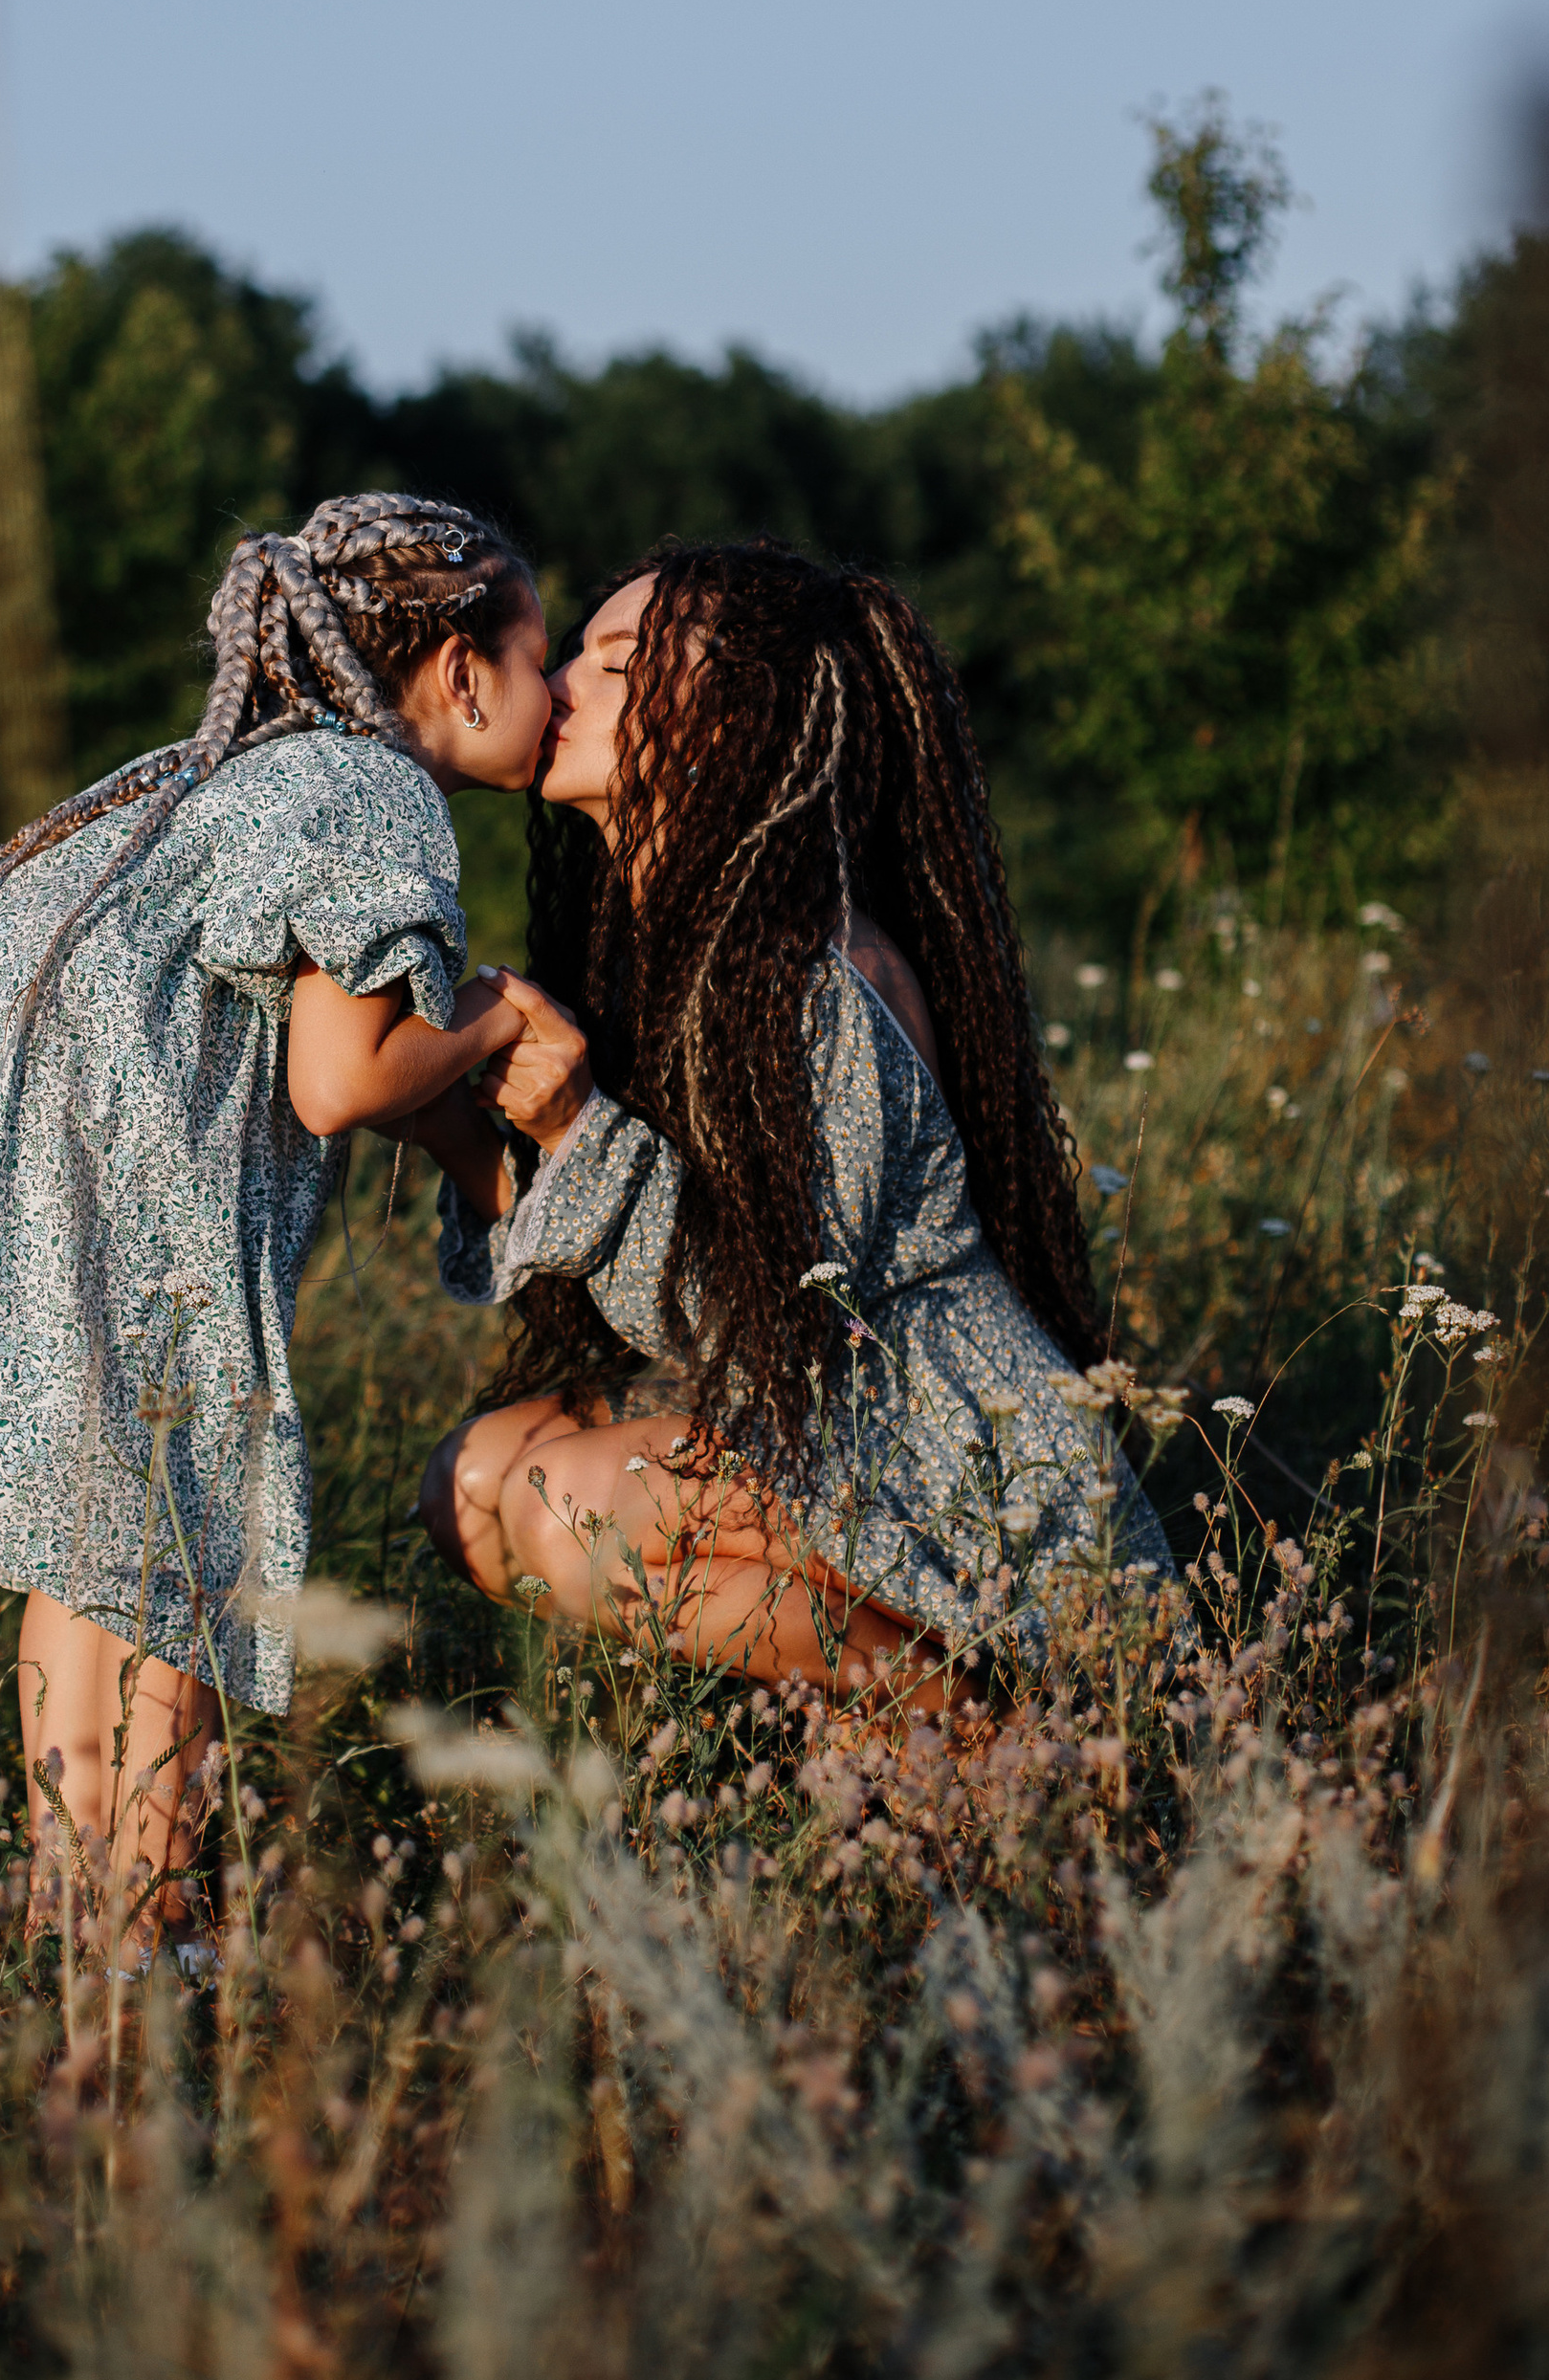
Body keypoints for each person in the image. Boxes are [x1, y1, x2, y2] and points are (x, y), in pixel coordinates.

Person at [0, 493, 549, 1938]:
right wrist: (498, 1023)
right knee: (182, 1537)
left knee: (97, 1547)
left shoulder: (245, 766)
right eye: (545, 660)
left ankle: (74, 1922)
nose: (557, 694)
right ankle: (151, 1945)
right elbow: (345, 1076)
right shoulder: (378, 790)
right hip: (142, 1176)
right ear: (463, 670)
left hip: (53, 1151)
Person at [411, 541, 1170, 1709]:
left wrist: (572, 1128)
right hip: (826, 1421)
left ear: (728, 723)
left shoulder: (815, 972)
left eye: (620, 662)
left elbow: (779, 1317)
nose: (560, 681)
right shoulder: (659, 950)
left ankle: (976, 1722)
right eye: (578, 650)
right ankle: (877, 1701)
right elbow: (610, 1284)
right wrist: (457, 1129)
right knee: (468, 1483)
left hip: (943, 1457)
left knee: (566, 1514)